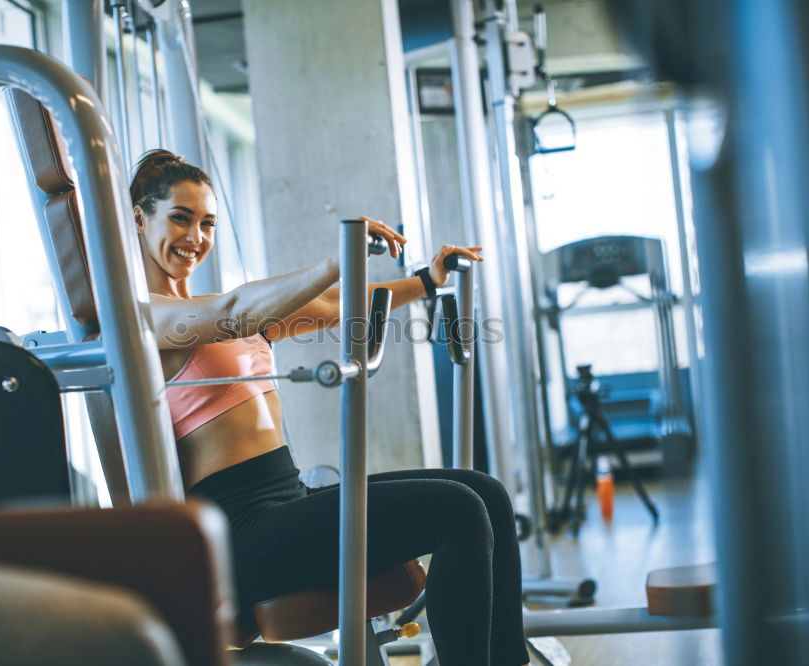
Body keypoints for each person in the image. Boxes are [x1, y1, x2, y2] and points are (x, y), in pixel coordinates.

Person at [131, 149, 529, 666]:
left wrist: (428, 281)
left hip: (286, 499)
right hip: (242, 531)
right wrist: (336, 259)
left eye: (206, 223)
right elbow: (233, 310)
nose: (196, 238)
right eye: (180, 218)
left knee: (486, 493)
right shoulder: (146, 319)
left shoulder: (223, 312)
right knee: (458, 511)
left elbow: (345, 304)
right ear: (140, 217)